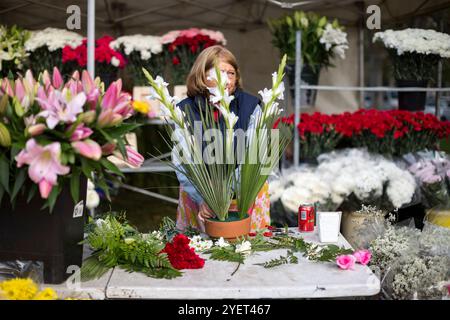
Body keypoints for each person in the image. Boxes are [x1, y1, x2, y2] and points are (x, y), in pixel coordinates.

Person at [174, 45, 270, 233]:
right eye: (219, 72)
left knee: (251, 252)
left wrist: (234, 195)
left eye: (231, 73)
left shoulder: (251, 106)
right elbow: (183, 161)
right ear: (202, 76)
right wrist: (205, 198)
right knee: (200, 252)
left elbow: (255, 153)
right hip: (198, 194)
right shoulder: (184, 110)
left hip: (245, 194)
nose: (226, 80)